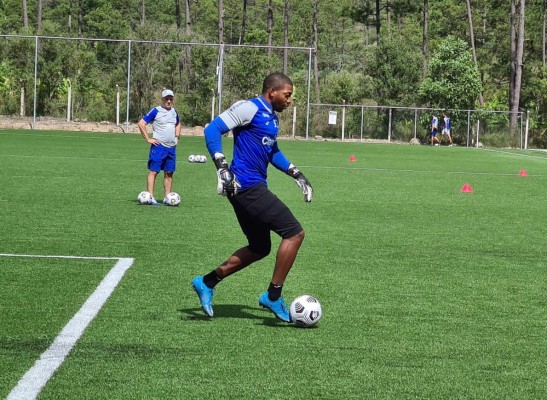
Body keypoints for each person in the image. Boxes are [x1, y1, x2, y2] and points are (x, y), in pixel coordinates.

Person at [191, 72, 313, 322]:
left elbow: (272, 151)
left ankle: (207, 281)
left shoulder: (272, 118)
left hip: (249, 188)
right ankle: (273, 295)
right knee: (294, 233)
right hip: (245, 187)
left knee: (260, 247)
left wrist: (296, 173)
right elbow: (212, 130)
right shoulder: (249, 108)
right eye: (287, 95)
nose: (289, 101)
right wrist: (222, 166)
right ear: (272, 92)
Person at [137, 89, 182, 205]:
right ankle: (150, 197)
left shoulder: (174, 112)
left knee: (169, 172)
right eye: (166, 99)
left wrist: (177, 137)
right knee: (154, 171)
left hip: (171, 148)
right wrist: (148, 138)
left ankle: (167, 197)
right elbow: (141, 123)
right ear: (162, 99)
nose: (169, 101)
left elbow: (178, 124)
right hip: (159, 146)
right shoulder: (156, 111)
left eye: (170, 99)